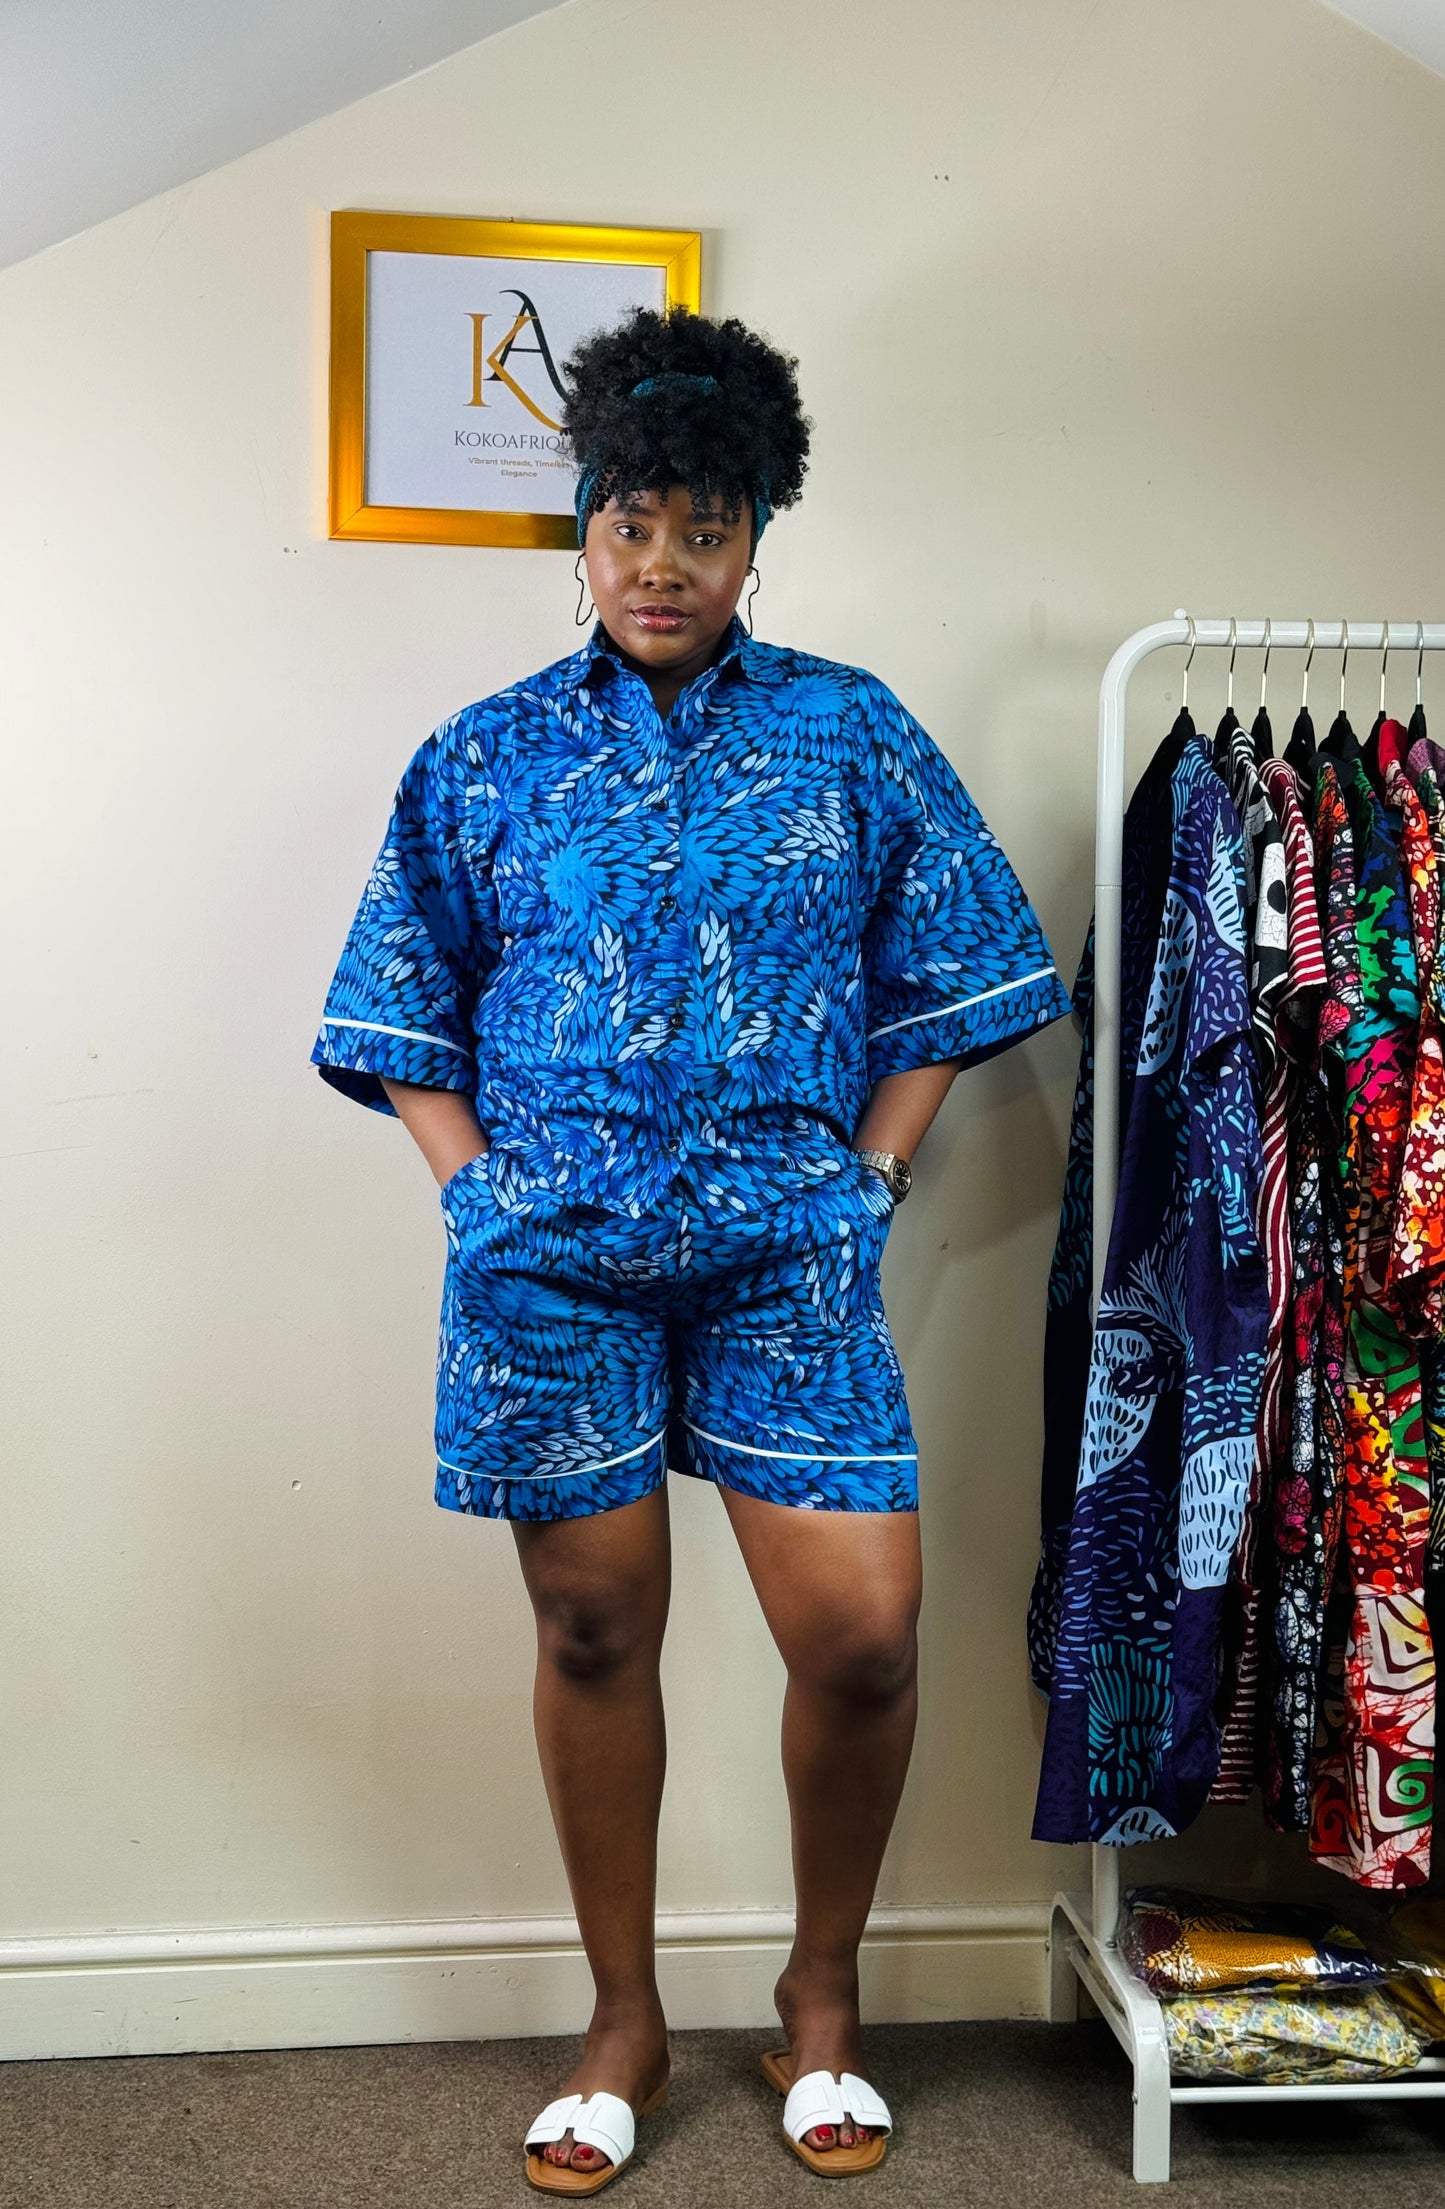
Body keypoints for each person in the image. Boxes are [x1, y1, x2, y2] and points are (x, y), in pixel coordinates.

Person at [310, 304, 1071, 2191]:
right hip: (547, 1263)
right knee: (593, 1627)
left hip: (784, 1253)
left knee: (864, 1638)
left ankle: (820, 1996)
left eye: (704, 531)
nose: (664, 563)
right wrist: (473, 1191)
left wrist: (871, 1176)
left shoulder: (849, 732)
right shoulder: (482, 754)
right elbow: (399, 1003)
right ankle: (622, 2018)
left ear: (755, 542)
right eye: (632, 524)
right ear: (583, 532)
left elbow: (959, 970)